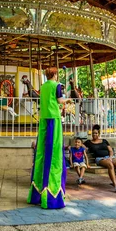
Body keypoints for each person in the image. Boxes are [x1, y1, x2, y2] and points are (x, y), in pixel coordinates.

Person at [28, 67, 73, 209]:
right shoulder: (57, 85)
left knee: (42, 152)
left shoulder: (43, 86)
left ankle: (38, 192)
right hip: (54, 118)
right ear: (54, 74)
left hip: (43, 120)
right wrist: (68, 100)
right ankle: (51, 194)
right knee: (54, 154)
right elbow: (60, 100)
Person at [85, 124, 116, 193]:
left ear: (98, 134)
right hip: (99, 159)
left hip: (109, 157)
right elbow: (80, 145)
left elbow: (110, 150)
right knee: (110, 165)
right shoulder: (88, 142)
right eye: (93, 133)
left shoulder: (104, 141)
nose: (94, 134)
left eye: (96, 133)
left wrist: (110, 157)